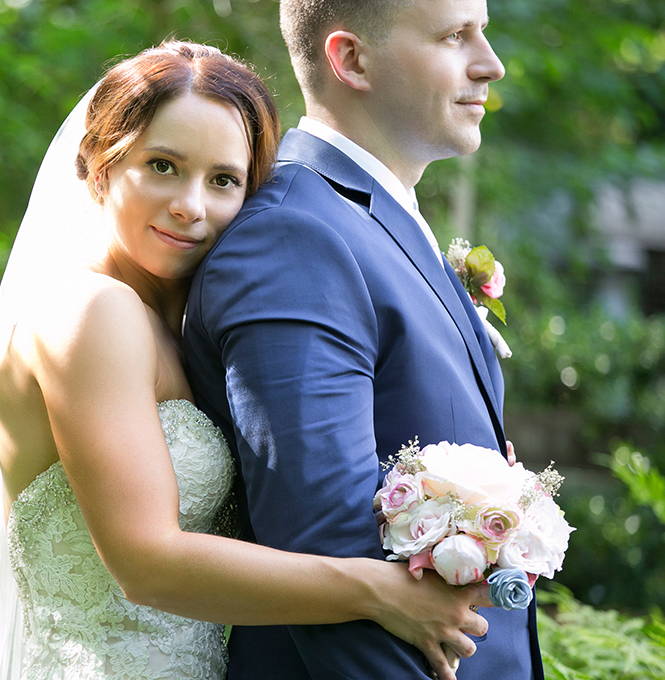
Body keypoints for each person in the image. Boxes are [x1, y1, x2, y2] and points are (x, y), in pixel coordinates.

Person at [0, 40, 489, 680]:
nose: (191, 206)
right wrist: (375, 590)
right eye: (163, 165)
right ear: (98, 166)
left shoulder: (177, 328)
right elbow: (147, 562)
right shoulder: (91, 313)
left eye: (223, 180)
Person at [182, 1, 542, 679]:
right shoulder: (295, 239)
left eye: (483, 32)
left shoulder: (374, 221)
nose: (490, 63)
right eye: (455, 36)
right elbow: (328, 550)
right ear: (351, 59)